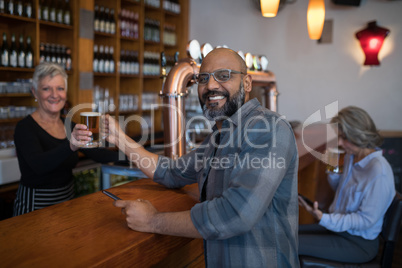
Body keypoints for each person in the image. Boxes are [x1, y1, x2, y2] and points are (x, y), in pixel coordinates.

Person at [105, 48, 300, 267]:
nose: (211, 86)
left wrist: (153, 221)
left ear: (247, 83)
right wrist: (117, 137)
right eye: (203, 78)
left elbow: (235, 215)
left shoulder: (269, 129)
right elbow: (171, 172)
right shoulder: (220, 137)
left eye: (224, 76)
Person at [13, 62, 120, 216]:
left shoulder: (70, 125)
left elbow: (99, 154)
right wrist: (71, 145)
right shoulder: (25, 128)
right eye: (46, 89)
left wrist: (137, 156)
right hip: (35, 206)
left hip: (67, 202)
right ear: (35, 93)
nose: (55, 95)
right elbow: (38, 165)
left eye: (60, 88)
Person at [298, 106, 396, 263]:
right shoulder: (352, 157)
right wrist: (332, 166)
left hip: (358, 243)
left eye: (344, 138)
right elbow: (341, 190)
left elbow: (365, 221)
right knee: (287, 233)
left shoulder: (379, 172)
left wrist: (324, 218)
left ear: (359, 136)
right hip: (339, 230)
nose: (340, 143)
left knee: (286, 243)